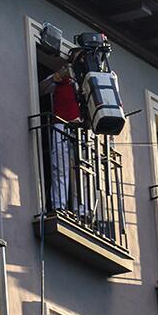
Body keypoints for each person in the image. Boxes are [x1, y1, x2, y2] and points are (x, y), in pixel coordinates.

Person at [44, 64, 86, 217]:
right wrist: (56, 77)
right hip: (60, 125)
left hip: (78, 127)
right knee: (60, 168)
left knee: (80, 171)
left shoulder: (82, 81)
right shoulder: (58, 81)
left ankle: (81, 210)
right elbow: (42, 88)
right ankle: (59, 205)